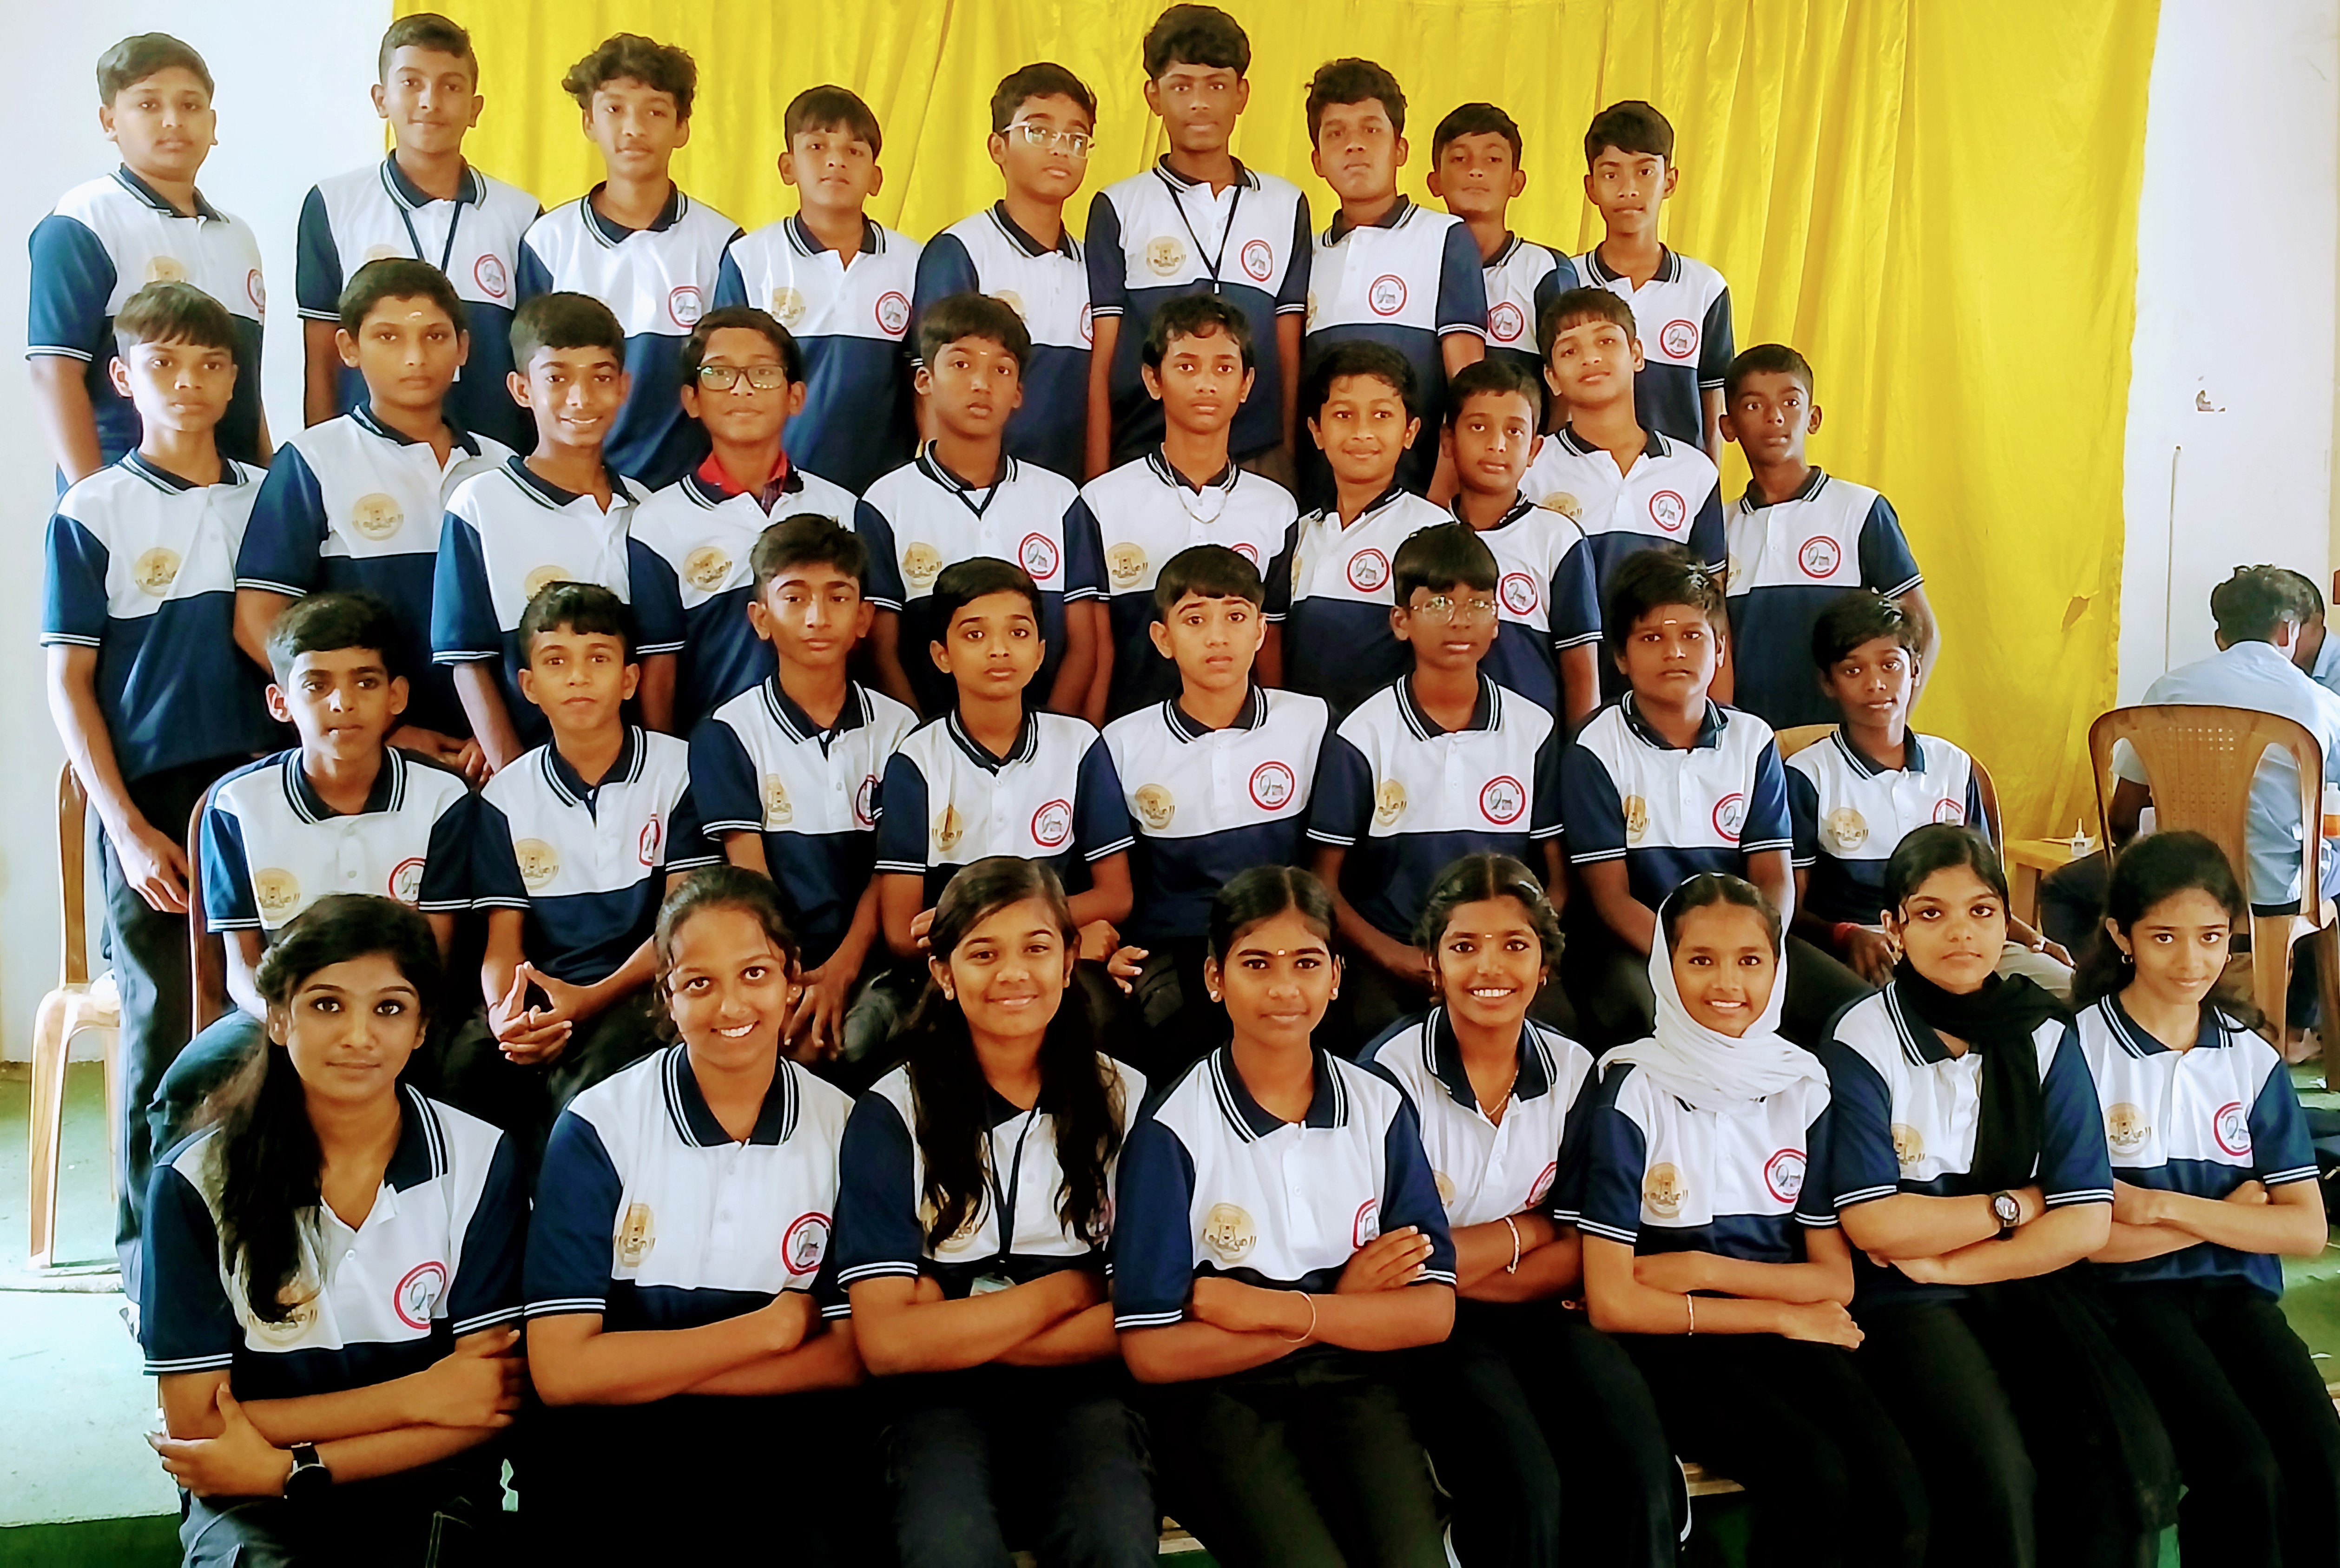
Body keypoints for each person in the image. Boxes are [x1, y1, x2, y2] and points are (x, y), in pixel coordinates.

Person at [1820, 826, 2176, 1568]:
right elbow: (1874, 1221)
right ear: (1891, 927)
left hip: (2016, 1279)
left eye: (1981, 911)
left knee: (2109, 1455)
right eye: (1930, 913)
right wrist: (2017, 1204)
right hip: (1900, 1298)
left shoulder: (2041, 1029)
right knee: (1995, 1474)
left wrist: (1952, 1259)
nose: (1960, 932)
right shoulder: (1861, 1037)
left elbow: (2084, 1219)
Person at [139, 896, 526, 1566]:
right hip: (246, 1498)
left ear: (422, 1028)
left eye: (389, 1008)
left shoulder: (480, 1159)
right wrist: (421, 1393)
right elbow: (199, 1424)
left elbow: (484, 1404)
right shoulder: (194, 1182)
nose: (358, 1035)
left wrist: (292, 1466)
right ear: (278, 1016)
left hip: (428, 1479)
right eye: (326, 1004)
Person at [1113, 865, 1457, 1568]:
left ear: (1335, 977)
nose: (1282, 987)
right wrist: (1339, 1306)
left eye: (1305, 962)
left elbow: (1431, 1311)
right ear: (1214, 977)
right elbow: (1153, 1351)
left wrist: (1272, 1310)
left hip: (1352, 1383)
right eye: (1255, 963)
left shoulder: (1378, 1106)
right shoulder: (1172, 1128)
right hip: (1216, 1400)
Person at [1579, 875, 1927, 1568]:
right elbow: (1615, 1301)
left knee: (1901, 1501)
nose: (1726, 982)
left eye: (1749, 959)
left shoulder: (1803, 1085)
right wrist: (1777, 1312)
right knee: (1813, 1476)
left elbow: (1833, 1279)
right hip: (1672, 1339)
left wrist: (1695, 1267)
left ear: (1778, 966)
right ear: (1664, 966)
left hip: (1773, 1325)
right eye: (1699, 959)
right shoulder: (1630, 1088)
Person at [523, 868, 870, 1559]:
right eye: (699, 982)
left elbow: (849, 1355)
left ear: (792, 977)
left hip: (783, 1434)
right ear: (667, 996)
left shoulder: (848, 1128)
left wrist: (651, 1371)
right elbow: (561, 1371)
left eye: (754, 973)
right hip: (615, 1441)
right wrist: (768, 1329)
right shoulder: (597, 1126)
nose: (730, 1004)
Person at [42, 280, 279, 1294]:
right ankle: (154, 1266)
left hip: (265, 791)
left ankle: (264, 1237)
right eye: (165, 364)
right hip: (155, 802)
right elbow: (68, 683)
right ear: (123, 377)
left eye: (211, 364)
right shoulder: (92, 509)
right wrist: (127, 827)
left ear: (234, 379)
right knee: (164, 1025)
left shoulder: (270, 495)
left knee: (270, 1015)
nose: (190, 382)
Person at [1361, 854, 1685, 1568]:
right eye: (1463, 945)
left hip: (1543, 1310)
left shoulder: (1577, 1070)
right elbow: (1389, 1267)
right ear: (1432, 963)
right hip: (1433, 1332)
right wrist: (1530, 1227)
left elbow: (1584, 1251)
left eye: (1514, 944)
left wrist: (1459, 1260)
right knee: (1528, 1489)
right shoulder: (1385, 1075)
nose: (1489, 966)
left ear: (1544, 966)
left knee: (1639, 1475)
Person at [834, 857, 1156, 1568]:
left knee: (1111, 1541)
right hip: (935, 1400)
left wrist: (949, 1323)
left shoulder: (1127, 1100)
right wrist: (1073, 1290)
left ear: (1069, 963)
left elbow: (1138, 1321)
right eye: (982, 953)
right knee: (950, 1547)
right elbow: (887, 1344)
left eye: (1036, 948)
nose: (1012, 972)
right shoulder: (892, 1110)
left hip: (1082, 1394)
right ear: (943, 973)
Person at [2074, 831, 2340, 1568]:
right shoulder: (2075, 1051)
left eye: (2210, 936)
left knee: (2322, 1456)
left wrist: (2159, 1207)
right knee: (2241, 1468)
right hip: (2128, 1302)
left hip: (2234, 1296)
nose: (2190, 960)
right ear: (2119, 936)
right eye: (2163, 936)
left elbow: (2303, 1229)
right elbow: (2090, 1239)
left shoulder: (2249, 1059)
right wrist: (2236, 1215)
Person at [150, 592, 475, 1154]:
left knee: (476, 1067)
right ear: (281, 702)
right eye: (317, 685)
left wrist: (377, 1020)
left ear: (397, 696)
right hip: (280, 1015)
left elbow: (435, 958)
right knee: (188, 1085)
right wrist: (293, 1023)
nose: (342, 702)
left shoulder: (442, 797)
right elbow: (242, 970)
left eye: (365, 682)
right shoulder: (236, 805)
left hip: (403, 1012)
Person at [1561, 547, 1869, 1047]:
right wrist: (1691, 959)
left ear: (1720, 648)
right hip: (1636, 944)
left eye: (1692, 636)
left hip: (1741, 941)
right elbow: (1611, 897)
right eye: (1652, 638)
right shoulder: (1593, 746)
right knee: (1641, 1023)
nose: (1675, 652)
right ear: (1620, 657)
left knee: (1856, 1018)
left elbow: (1773, 876)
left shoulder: (1752, 740)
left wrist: (1752, 950)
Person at [451, 584, 721, 1152]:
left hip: (642, 985)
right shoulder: (506, 797)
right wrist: (506, 1016)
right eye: (555, 662)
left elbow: (682, 930)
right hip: (548, 990)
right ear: (529, 687)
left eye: (598, 659)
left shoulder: (679, 771)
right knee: (464, 1069)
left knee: (588, 1083)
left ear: (629, 679)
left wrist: (587, 999)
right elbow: (503, 943)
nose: (577, 677)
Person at [237, 258, 512, 771]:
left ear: (463, 347)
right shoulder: (313, 460)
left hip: (494, 751)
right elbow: (258, 617)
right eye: (388, 337)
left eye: (435, 336)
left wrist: (497, 731)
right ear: (348, 348)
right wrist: (380, 725)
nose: (414, 357)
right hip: (368, 755)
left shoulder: (503, 467)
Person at [1310, 524, 1564, 1041]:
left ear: (1497, 621)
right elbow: (1325, 883)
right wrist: (1395, 956)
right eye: (1439, 603)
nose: (1460, 619)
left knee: (1561, 1032)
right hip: (1394, 955)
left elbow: (1557, 882)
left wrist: (1513, 951)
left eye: (1478, 604)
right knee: (1375, 1040)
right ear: (1401, 621)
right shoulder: (1363, 734)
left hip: (1500, 959)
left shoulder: (1533, 729)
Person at [691, 516, 918, 1061]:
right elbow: (752, 881)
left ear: (863, 618)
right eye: (795, 598)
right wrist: (790, 977)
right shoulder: (727, 732)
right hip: (771, 955)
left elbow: (891, 871)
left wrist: (840, 971)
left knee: (858, 1044)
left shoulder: (900, 729)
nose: (817, 617)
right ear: (761, 618)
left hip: (871, 960)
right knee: (787, 1044)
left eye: (837, 597)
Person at [429, 291, 683, 765]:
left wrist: (658, 770)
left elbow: (657, 658)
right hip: (529, 770)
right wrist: (512, 776)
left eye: (600, 377)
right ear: (522, 389)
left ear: (624, 387)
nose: (581, 398)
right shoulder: (480, 502)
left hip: (636, 775)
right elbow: (468, 659)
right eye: (557, 378)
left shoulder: (647, 508)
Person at [1101, 545, 1329, 1073]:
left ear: (1261, 631)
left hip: (1288, 937)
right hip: (1176, 944)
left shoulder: (1311, 723)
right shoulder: (1122, 743)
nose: (1217, 637)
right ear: (1162, 638)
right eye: (1194, 620)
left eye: (1235, 617)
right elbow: (1118, 881)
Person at [1789, 591, 2069, 993]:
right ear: (1827, 683)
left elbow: (1983, 889)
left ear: (1915, 670)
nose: (1875, 684)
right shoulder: (1807, 775)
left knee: (2067, 989)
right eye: (1853, 670)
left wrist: (2030, 938)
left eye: (1890, 665)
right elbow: (1788, 910)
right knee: (1891, 1009)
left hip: (1963, 939)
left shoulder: (1953, 766)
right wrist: (1845, 936)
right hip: (1870, 946)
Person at [1085, 4, 1309, 481]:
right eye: (1181, 86)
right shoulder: (1118, 205)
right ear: (1153, 95)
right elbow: (1102, 360)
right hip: (1143, 455)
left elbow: (1289, 353)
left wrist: (1289, 459)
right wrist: (1097, 475)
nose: (1200, 103)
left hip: (1258, 457)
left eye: (1216, 86)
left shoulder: (1286, 204)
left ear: (1242, 94)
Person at [30, 33, 269, 482]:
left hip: (233, 495)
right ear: (110, 121)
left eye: (190, 106)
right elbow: (54, 371)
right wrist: (91, 499)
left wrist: (268, 482)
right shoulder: (85, 219)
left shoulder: (237, 236)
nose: (173, 121)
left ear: (213, 123)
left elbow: (246, 385)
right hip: (124, 489)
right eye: (148, 105)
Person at [294, 14, 538, 449]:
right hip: (368, 457)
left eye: (451, 86)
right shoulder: (333, 204)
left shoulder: (521, 215)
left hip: (492, 456)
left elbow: (537, 358)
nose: (430, 101)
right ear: (381, 100)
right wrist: (322, 459)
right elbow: (322, 358)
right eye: (411, 83)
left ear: (475, 108)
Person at [872, 559, 1134, 962]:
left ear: (1039, 652)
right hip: (954, 970)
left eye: (1018, 632)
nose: (999, 649)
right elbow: (901, 931)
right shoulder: (916, 759)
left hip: (1047, 963)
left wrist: (976, 924)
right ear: (942, 655)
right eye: (975, 634)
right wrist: (1045, 930)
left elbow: (1115, 896)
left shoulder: (1079, 745)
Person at [514, 33, 742, 488]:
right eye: (614, 109)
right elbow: (532, 379)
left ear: (682, 128)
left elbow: (727, 382)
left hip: (690, 490)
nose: (634, 129)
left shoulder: (722, 244)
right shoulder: (548, 242)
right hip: (576, 488)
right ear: (588, 122)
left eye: (655, 112)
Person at [857, 293, 1101, 717]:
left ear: (1018, 392)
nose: (981, 384)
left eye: (1001, 370)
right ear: (924, 380)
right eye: (961, 364)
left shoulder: (1061, 499)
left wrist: (1052, 739)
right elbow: (881, 652)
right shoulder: (885, 502)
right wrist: (924, 741)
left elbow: (1083, 646)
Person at [628, 306, 868, 733]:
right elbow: (659, 669)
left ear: (795, 396)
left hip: (836, 750)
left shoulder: (844, 509)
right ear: (691, 399)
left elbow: (866, 649)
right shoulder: (658, 523)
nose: (742, 389)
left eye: (763, 373)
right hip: (714, 749)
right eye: (719, 373)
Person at [1073, 294, 1299, 723]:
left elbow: (1269, 647)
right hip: (1132, 732)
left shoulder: (1277, 508)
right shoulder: (1102, 502)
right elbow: (1098, 651)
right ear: (1153, 379)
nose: (1206, 384)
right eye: (1186, 367)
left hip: (1240, 739)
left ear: (1246, 384)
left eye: (1224, 368)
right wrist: (1097, 738)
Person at [1521, 287, 1728, 704]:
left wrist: (1721, 714)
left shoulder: (1694, 471)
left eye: (1606, 341)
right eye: (1570, 351)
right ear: (1551, 378)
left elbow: (1713, 610)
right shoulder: (1531, 468)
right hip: (1559, 699)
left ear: (1636, 354)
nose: (1590, 358)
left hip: (1666, 704)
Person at [713, 86, 921, 495]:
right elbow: (725, 383)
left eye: (854, 151)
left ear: (876, 178)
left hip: (883, 491)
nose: (835, 161)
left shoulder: (913, 263)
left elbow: (925, 385)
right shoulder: (749, 259)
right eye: (817, 146)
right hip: (775, 490)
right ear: (787, 166)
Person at [1297, 58, 1486, 507]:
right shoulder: (1305, 251)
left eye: (1371, 130)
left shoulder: (1444, 237)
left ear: (1400, 149)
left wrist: (1445, 485)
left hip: (1418, 494)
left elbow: (1467, 380)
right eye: (1336, 133)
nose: (1354, 145)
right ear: (1317, 160)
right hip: (1321, 500)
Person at [1720, 343, 1937, 729]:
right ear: (1728, 426)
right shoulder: (1718, 526)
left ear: (1813, 417)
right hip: (1749, 744)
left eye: (1790, 402)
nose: (1774, 417)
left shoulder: (1860, 509)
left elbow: (1921, 627)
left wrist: (1887, 731)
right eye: (1753, 405)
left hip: (1836, 743)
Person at [2109, 564, 2340, 922]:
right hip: (2276, 895)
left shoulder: (2168, 692)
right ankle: (2300, 956)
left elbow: (2122, 816)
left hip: (2181, 884)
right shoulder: (2320, 703)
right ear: (2287, 631)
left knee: (2066, 888)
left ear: (2221, 636)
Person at [912, 64, 1098, 482]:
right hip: (981, 489)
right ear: (998, 147)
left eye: (1076, 138)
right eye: (1039, 132)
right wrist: (949, 489)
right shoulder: (961, 250)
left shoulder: (1094, 264)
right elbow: (932, 389)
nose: (1060, 149)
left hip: (1068, 490)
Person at [1277, 341, 1454, 717]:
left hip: (1391, 736)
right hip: (1305, 736)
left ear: (1410, 432)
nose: (1362, 432)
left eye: (1381, 415)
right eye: (1343, 415)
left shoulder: (1433, 531)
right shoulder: (1298, 533)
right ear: (1316, 431)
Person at [1440, 356, 1600, 726]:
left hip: (1533, 746)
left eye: (1514, 432)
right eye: (1478, 427)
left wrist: (1579, 750)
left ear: (1533, 451)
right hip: (1434, 744)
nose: (1496, 444)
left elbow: (1581, 671)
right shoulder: (1423, 530)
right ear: (1448, 440)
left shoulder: (1557, 539)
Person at [1570, 100, 1732, 456]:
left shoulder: (1704, 288)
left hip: (1675, 482)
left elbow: (1711, 404)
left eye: (1644, 172)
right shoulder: (1565, 279)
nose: (1628, 190)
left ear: (1669, 181)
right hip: (1583, 476)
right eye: (1611, 174)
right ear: (1590, 187)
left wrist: (1708, 480)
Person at [1427, 101, 1579, 395]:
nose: (1476, 170)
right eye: (1459, 159)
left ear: (1517, 182)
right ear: (1435, 182)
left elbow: (1569, 379)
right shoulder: (1415, 263)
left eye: (1493, 159)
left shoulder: (1545, 270)